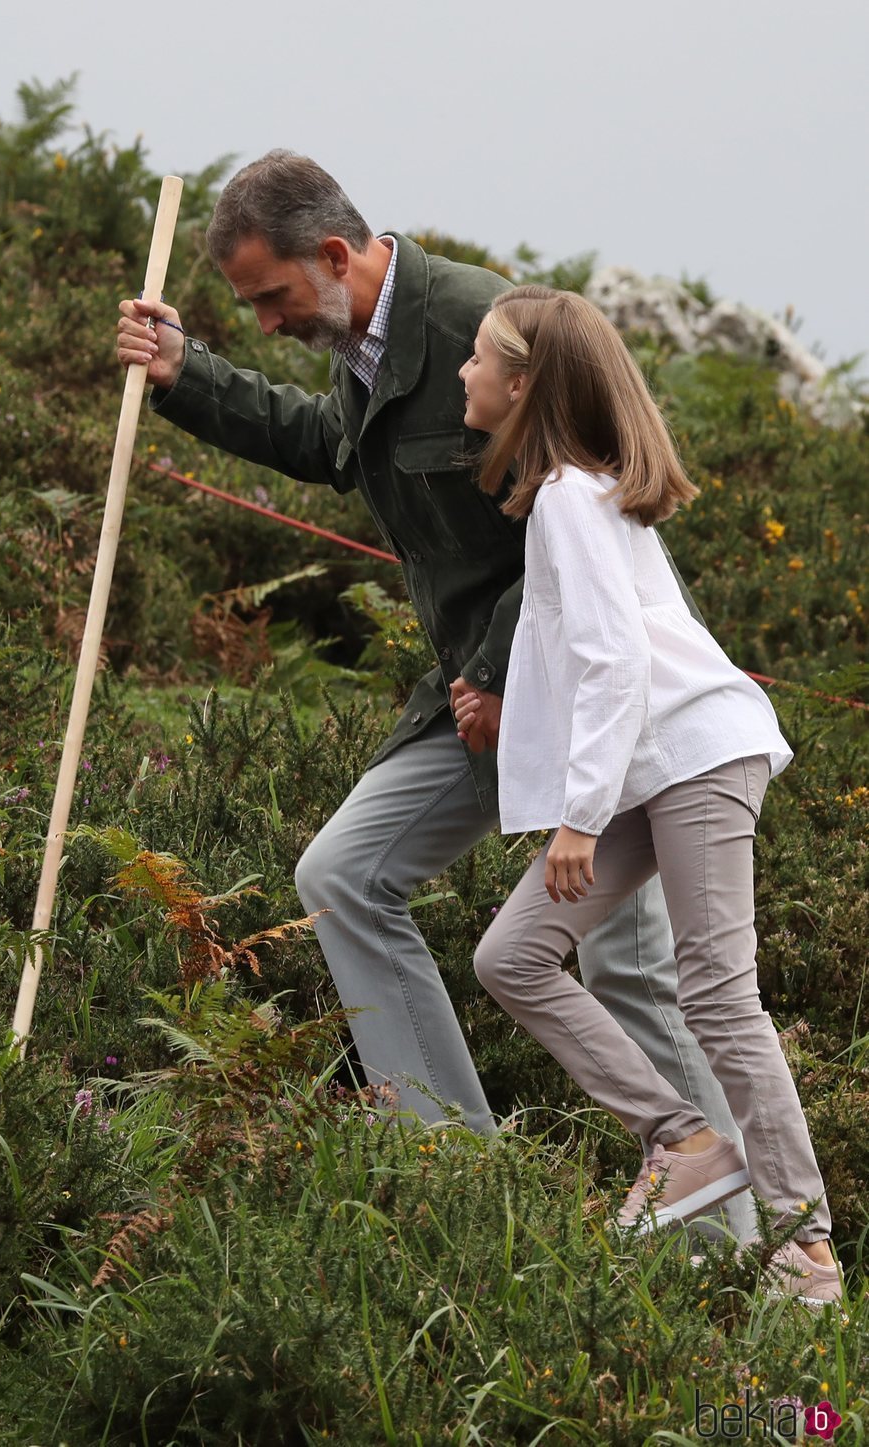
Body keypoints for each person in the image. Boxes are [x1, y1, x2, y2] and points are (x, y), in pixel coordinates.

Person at [116, 151, 751, 1235]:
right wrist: (189, 371)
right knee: (344, 872)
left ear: (331, 255)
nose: (263, 320)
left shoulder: (479, 326)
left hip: (591, 694)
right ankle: (460, 1178)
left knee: (629, 966)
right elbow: (330, 446)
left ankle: (734, 1252)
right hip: (470, 697)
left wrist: (506, 676)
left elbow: (579, 520)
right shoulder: (356, 344)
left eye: (269, 296)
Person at [453, 285, 840, 1302]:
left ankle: (804, 1243)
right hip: (647, 767)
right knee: (512, 955)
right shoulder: (564, 498)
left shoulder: (573, 499)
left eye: (477, 358)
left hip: (695, 755)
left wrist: (578, 817)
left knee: (715, 991)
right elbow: (585, 665)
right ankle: (683, 1140)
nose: (462, 372)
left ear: (521, 383)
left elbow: (615, 662)